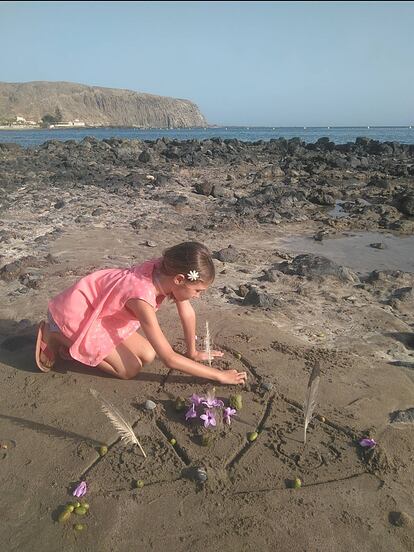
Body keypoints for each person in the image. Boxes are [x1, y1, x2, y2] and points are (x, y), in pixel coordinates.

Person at [35, 241, 247, 385]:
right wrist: (219, 376)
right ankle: (56, 334)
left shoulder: (165, 269)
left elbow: (187, 312)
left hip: (101, 310)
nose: (198, 296)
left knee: (147, 353)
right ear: (180, 279)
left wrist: (192, 352)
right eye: (198, 291)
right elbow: (170, 359)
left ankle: (71, 341)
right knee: (129, 370)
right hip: (75, 314)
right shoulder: (142, 299)